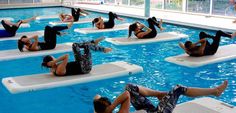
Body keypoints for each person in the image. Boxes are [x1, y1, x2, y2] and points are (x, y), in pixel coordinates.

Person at [93, 80, 228, 113]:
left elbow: (96, 97)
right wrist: (112, 106)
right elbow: (126, 95)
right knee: (178, 88)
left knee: (130, 86)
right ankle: (215, 91)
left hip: (147, 110)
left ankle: (159, 94)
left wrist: (102, 105)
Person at [41, 37, 112, 76]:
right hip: (85, 68)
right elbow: (66, 56)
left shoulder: (53, 69)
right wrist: (54, 62)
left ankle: (93, 43)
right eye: (54, 58)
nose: (56, 59)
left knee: (75, 45)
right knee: (86, 45)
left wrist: (51, 64)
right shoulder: (59, 69)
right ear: (52, 61)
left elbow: (50, 68)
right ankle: (101, 48)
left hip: (80, 63)